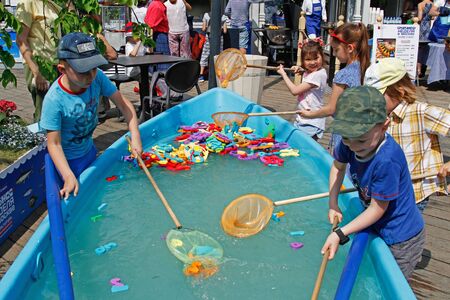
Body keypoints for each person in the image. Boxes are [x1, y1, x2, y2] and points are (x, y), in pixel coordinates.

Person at [321, 86, 425, 280]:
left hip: (401, 236)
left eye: (361, 140)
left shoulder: (386, 160)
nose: (352, 146)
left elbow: (378, 209)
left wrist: (340, 233)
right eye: (346, 137)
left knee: (390, 281)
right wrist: (333, 203)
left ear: (384, 126)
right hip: (378, 223)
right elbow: (337, 167)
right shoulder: (350, 141)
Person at [40, 33, 142, 200]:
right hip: (66, 162)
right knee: (74, 202)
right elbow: (54, 143)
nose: (90, 76)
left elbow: (123, 104)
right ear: (62, 69)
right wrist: (67, 175)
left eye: (94, 68)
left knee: (95, 197)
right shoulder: (54, 100)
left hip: (88, 150)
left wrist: (135, 136)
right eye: (83, 71)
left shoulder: (97, 78)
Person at [364, 58, 450, 212]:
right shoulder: (377, 115)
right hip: (383, 190)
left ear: (399, 91)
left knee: (401, 234)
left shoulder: (422, 112)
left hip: (413, 194)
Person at [299, 23, 370, 151]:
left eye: (336, 50)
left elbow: (331, 109)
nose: (333, 54)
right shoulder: (365, 69)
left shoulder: (342, 75)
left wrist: (309, 115)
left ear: (349, 48)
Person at [16, 0, 61, 122]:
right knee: (44, 114)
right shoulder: (27, 3)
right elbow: (21, 40)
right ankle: (41, 140)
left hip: (56, 64)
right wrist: (36, 72)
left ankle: (55, 141)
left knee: (56, 112)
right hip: (40, 65)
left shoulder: (51, 3)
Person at [276, 39, 327, 140]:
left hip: (311, 121)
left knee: (303, 149)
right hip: (305, 119)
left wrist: (283, 74)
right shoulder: (315, 72)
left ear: (322, 55)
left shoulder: (317, 75)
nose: (312, 62)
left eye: (316, 58)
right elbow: (308, 71)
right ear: (303, 61)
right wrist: (301, 69)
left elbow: (295, 91)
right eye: (308, 60)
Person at [199, 11, 229, 82]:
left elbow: (203, 29)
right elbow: (225, 31)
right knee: (220, 56)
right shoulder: (223, 17)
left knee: (205, 55)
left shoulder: (206, 15)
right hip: (219, 37)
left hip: (209, 37)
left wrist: (206, 26)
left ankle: (201, 75)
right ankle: (221, 75)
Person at [145, 0, 171, 70]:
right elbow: (150, 26)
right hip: (159, 37)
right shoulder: (157, 6)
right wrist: (150, 46)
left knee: (160, 62)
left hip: (158, 35)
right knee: (163, 63)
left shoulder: (155, 4)